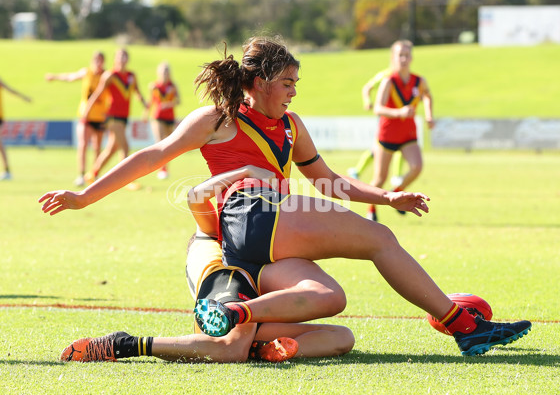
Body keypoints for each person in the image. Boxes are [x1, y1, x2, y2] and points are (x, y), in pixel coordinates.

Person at [39, 36, 531, 357]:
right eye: (286, 82)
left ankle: (238, 320)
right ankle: (462, 325)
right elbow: (152, 154)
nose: (293, 91)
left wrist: (386, 194)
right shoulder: (219, 118)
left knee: (331, 300)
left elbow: (328, 180)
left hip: (263, 241)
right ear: (257, 82)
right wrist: (84, 196)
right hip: (250, 217)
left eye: (296, 83)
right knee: (379, 239)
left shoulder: (293, 126)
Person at [57, 165, 355, 363]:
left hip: (244, 309)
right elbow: (195, 196)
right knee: (230, 349)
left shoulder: (259, 241)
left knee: (343, 337)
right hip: (224, 284)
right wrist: (246, 172)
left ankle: (264, 350)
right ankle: (125, 344)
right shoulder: (215, 234)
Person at [366, 40, 435, 222]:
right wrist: (399, 112)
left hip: (408, 135)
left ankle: (397, 191)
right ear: (393, 58)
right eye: (400, 55)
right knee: (380, 178)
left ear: (411, 57)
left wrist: (429, 115)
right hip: (387, 134)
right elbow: (377, 109)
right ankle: (371, 209)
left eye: (406, 55)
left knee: (417, 167)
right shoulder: (389, 81)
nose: (403, 59)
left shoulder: (419, 81)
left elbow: (427, 95)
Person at [82, 48, 148, 187]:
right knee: (125, 146)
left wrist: (144, 103)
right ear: (115, 59)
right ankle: (127, 180)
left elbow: (137, 91)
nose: (122, 58)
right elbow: (97, 94)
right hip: (113, 116)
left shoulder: (132, 76)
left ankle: (92, 174)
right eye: (119, 56)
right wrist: (86, 112)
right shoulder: (110, 75)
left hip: (124, 117)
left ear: (128, 59)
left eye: (125, 55)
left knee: (111, 149)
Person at [45, 51, 108, 186]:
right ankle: (81, 174)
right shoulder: (87, 73)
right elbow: (70, 77)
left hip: (101, 115)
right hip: (86, 114)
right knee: (83, 145)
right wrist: (55, 77)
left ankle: (94, 175)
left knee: (97, 147)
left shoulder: (106, 76)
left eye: (101, 60)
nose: (98, 62)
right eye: (96, 59)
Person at [347, 67, 405, 188]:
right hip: (386, 117)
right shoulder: (386, 75)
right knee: (379, 148)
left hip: (401, 118)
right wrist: (367, 101)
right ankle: (357, 171)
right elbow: (367, 87)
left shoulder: (407, 78)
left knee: (401, 146)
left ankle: (397, 176)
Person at [149, 61, 180, 179]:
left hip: (169, 117)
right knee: (160, 141)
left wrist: (168, 104)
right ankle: (161, 169)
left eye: (167, 71)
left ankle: (165, 168)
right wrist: (145, 113)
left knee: (168, 144)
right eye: (163, 71)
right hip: (157, 116)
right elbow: (151, 101)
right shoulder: (154, 86)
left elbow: (178, 101)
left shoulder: (173, 86)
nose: (165, 74)